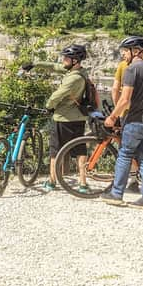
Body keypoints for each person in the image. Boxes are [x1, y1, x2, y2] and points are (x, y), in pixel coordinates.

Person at [103, 36, 143, 210]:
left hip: (137, 120)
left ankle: (116, 194)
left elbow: (124, 99)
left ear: (136, 51)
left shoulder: (132, 69)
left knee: (125, 154)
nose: (123, 55)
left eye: (125, 51)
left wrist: (112, 117)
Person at [41, 44, 91, 193]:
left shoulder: (73, 78)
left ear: (75, 60)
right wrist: (34, 64)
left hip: (63, 118)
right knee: (80, 149)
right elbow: (55, 67)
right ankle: (83, 183)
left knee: (55, 150)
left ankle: (52, 181)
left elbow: (58, 94)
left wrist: (49, 106)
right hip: (79, 118)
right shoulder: (81, 72)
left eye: (66, 58)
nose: (63, 60)